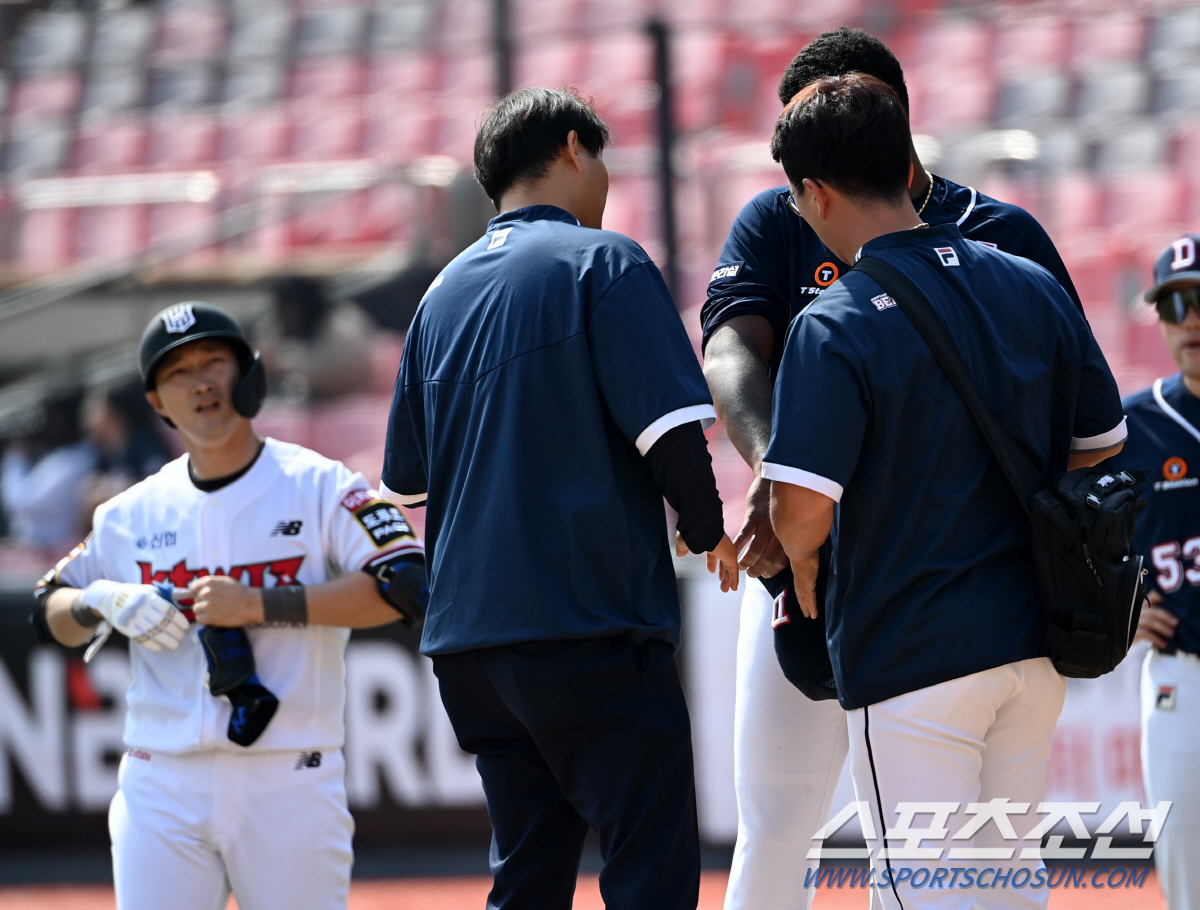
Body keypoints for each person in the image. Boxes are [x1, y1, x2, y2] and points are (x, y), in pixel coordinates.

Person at [699, 28, 1086, 910]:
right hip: (817, 579)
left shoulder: (1001, 232)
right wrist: (776, 462)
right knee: (781, 823)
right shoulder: (781, 215)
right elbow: (728, 351)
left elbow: (1075, 408)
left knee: (936, 859)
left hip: (964, 590)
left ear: (898, 118)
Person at [381, 87, 739, 910]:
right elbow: (671, 434)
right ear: (575, 148)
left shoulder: (438, 299)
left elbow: (407, 483)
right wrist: (708, 525)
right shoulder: (601, 260)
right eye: (602, 156)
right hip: (586, 621)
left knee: (529, 871)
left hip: (471, 643)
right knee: (648, 861)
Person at [32, 301, 427, 910]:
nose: (200, 382)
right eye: (178, 372)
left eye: (214, 361)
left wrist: (261, 604)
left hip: (288, 772)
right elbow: (47, 611)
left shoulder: (322, 484)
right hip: (159, 777)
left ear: (249, 375)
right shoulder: (127, 513)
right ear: (156, 401)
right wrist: (99, 600)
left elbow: (402, 586)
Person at [1110, 232, 1200, 910]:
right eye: (1174, 306)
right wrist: (1118, 602)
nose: (1189, 321)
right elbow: (1067, 534)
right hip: (1183, 676)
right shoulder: (1134, 426)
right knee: (1188, 876)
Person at [1, 387, 97, 553]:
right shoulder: (56, 454)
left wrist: (17, 453)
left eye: (53, 417)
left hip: (59, 550)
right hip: (39, 551)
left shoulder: (77, 459)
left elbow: (22, 501)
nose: (48, 425)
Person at [254, 275, 376, 401]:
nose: (286, 315)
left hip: (354, 402)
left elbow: (341, 376)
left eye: (290, 307)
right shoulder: (274, 325)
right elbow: (262, 360)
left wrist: (285, 363)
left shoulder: (343, 325)